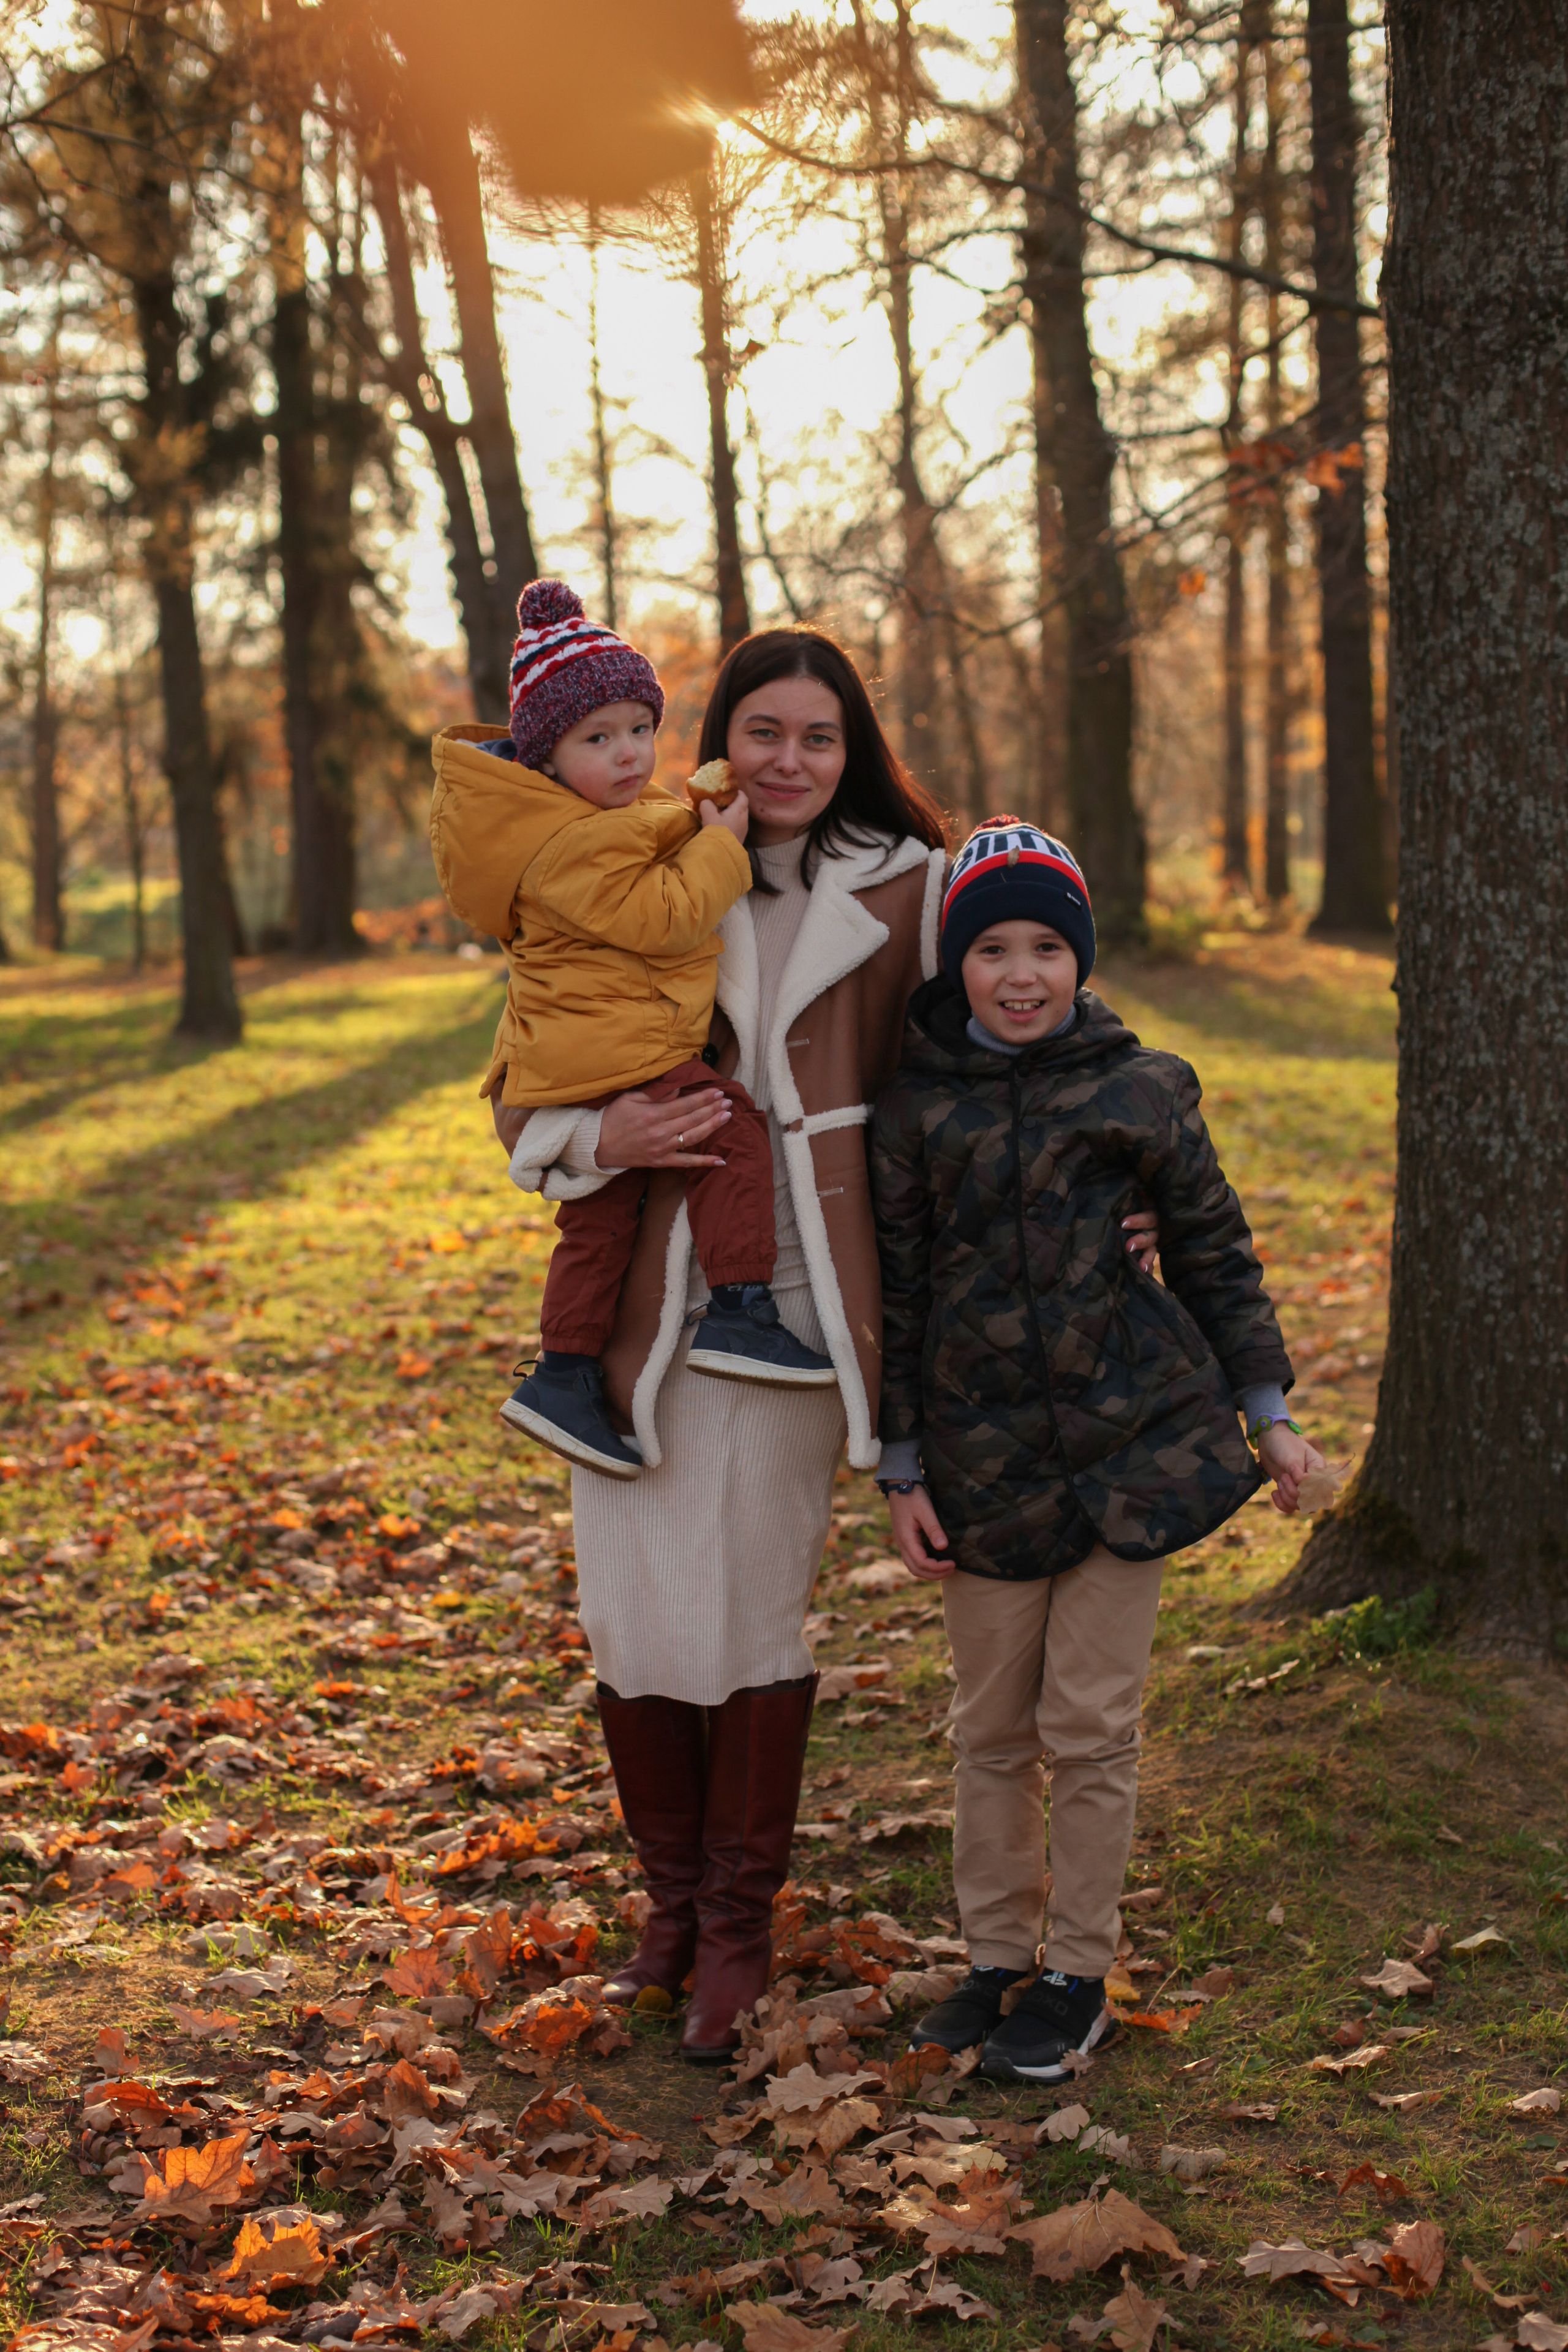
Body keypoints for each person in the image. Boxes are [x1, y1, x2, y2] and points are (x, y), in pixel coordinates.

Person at [870, 815, 1322, 2085]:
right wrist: (900, 1468)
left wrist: (1269, 1412)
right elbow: (897, 1295)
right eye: (991, 949)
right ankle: (992, 1960)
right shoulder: (913, 1112)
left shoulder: (1144, 1089)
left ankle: (1074, 1973)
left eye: (1045, 947)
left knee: (1089, 1724)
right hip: (983, 1467)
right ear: (955, 964)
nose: (1020, 974)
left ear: (1080, 957)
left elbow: (1214, 1248)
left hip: (1135, 1454)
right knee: (988, 1728)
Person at [430, 581, 834, 1482]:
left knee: (599, 1221)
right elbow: (666, 917)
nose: (629, 754)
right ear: (546, 758)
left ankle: (566, 1370)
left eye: (641, 729)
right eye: (598, 738)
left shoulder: (587, 824)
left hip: (583, 1058)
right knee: (729, 1129)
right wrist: (721, 843)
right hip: (621, 1055)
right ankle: (742, 1310)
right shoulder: (574, 842)